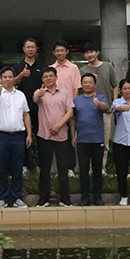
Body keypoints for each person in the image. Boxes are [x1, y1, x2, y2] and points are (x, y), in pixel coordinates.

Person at [0, 66, 32, 209]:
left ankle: (17, 197)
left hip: (18, 136)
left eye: (10, 77)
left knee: (17, 168)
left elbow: (26, 114)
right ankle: (2, 198)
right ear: (1, 79)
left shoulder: (20, 95)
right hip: (1, 136)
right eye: (5, 77)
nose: (8, 79)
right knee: (2, 168)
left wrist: (29, 134)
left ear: (14, 79)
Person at [33, 67, 74, 207]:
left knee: (63, 169)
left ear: (56, 77)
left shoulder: (65, 92)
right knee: (45, 169)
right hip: (44, 136)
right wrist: (40, 94)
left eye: (51, 76)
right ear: (42, 79)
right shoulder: (39, 92)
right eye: (45, 76)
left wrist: (59, 125)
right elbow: (36, 99)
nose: (48, 78)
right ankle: (43, 198)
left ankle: (65, 198)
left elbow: (70, 112)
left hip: (62, 136)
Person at [69, 73, 108, 206]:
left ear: (95, 84)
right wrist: (73, 136)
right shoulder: (76, 100)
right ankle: (84, 196)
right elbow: (73, 119)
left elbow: (105, 108)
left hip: (97, 139)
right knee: (83, 170)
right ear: (81, 84)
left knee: (97, 169)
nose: (87, 85)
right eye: (85, 82)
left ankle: (97, 196)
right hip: (82, 139)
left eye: (90, 82)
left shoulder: (100, 97)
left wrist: (99, 104)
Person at [80, 42, 118, 174]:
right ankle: (90, 169)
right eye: (86, 52)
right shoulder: (82, 70)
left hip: (105, 110)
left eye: (92, 51)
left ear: (97, 52)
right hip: (88, 112)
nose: (89, 54)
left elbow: (115, 85)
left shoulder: (108, 67)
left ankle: (101, 168)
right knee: (89, 141)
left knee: (104, 140)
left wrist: (114, 101)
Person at [12, 38, 45, 170]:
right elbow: (13, 83)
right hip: (21, 108)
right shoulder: (18, 66)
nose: (30, 49)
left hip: (40, 106)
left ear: (36, 49)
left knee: (40, 136)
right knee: (23, 136)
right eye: (28, 47)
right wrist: (21, 75)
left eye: (33, 47)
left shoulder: (42, 66)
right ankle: (24, 166)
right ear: (24, 49)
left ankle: (40, 165)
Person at [50, 40, 81, 175]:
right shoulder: (51, 68)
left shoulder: (73, 68)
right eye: (57, 50)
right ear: (54, 53)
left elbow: (76, 88)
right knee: (57, 139)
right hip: (55, 108)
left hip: (69, 108)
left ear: (67, 51)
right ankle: (59, 168)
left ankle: (70, 167)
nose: (60, 53)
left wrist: (72, 106)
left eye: (62, 50)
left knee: (70, 137)